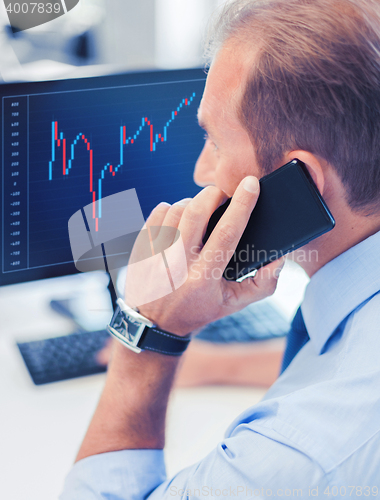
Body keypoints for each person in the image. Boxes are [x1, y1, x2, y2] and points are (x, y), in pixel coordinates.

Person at [61, 0, 380, 496]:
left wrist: (150, 333)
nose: (201, 171)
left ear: (298, 184)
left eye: (213, 140)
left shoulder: (301, 457)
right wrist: (222, 365)